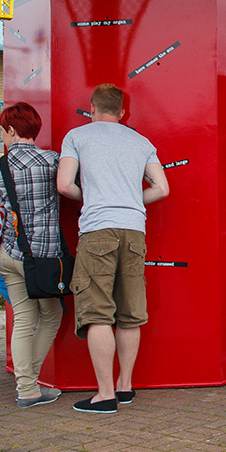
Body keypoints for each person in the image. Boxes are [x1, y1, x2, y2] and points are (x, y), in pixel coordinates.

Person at [57, 84, 170, 414]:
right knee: (130, 314)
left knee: (97, 312)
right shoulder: (141, 142)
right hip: (135, 230)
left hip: (97, 230)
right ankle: (125, 387)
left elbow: (65, 185)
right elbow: (162, 188)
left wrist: (93, 198)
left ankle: (104, 394)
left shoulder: (77, 137)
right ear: (123, 112)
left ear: (91, 107)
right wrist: (131, 201)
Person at [0, 102, 65, 409]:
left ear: (12, 129)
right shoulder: (53, 161)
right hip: (42, 257)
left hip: (9, 252)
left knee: (23, 319)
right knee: (52, 316)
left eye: (3, 130)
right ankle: (29, 384)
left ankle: (28, 388)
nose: (2, 136)